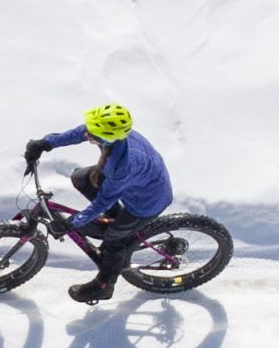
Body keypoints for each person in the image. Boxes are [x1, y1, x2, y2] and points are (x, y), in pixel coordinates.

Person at [23, 104, 172, 304]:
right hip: (131, 181)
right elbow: (79, 133)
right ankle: (114, 221)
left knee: (113, 239)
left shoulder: (123, 164)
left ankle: (104, 285)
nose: (88, 135)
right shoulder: (111, 135)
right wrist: (46, 143)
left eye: (94, 134)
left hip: (145, 201)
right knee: (81, 178)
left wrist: (73, 222)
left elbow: (104, 200)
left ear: (109, 137)